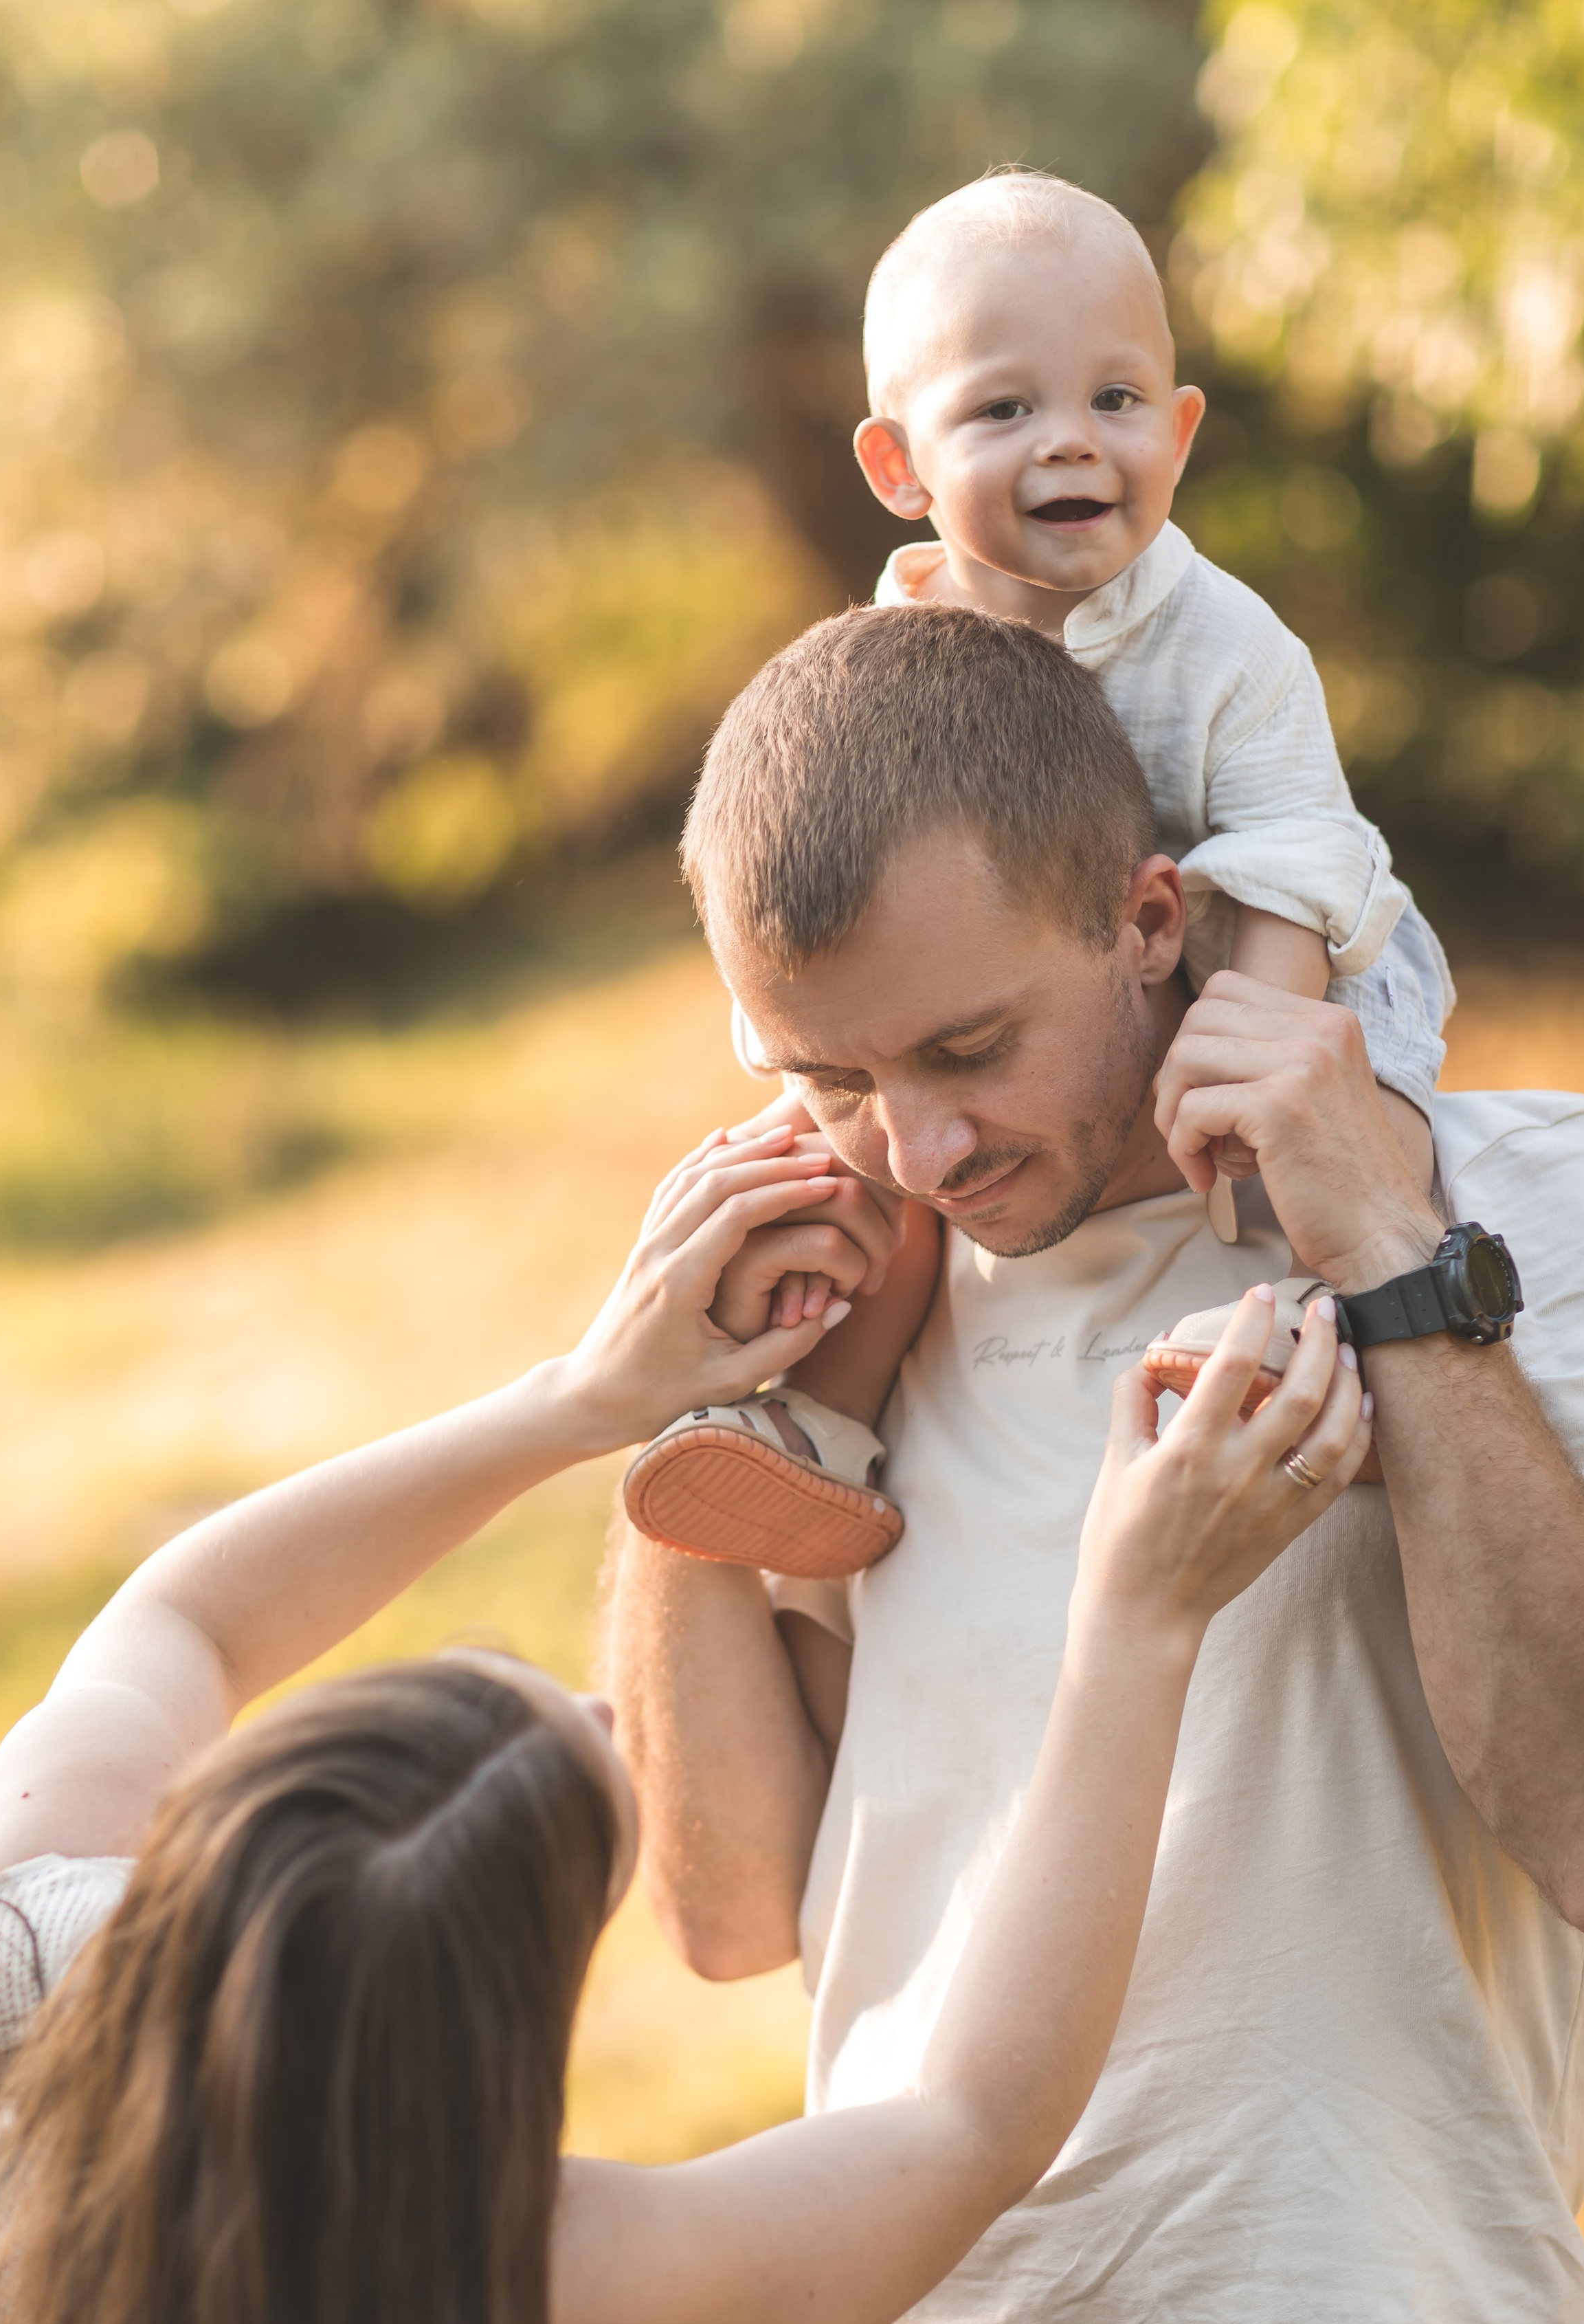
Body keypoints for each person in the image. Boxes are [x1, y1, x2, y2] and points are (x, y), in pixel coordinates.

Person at [0, 1135, 1367, 2324]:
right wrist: (1139, 1614)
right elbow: (972, 2124)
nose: (613, 1717)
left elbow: (181, 1621)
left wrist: (588, 1393)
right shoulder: (482, 2290)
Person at [604, 600, 1584, 2324]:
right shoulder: (870, 1291)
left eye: (969, 1050)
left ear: (1150, 918)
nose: (920, 1146)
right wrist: (679, 1421)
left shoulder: (1533, 1202)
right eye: (831, 1072)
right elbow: (734, 1907)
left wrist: (1395, 1254)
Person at [622, 168, 1455, 1580]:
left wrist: (1248, 1059)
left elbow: (1299, 859)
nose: (1071, 442)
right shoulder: (897, 644)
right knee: (879, 1152)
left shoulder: (1225, 647)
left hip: (1266, 941)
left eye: (1115, 401)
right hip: (1023, 966)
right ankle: (812, 1437)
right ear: (898, 469)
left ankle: (1334, 1352)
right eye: (1005, 410)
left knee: (1346, 1137)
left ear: (1177, 435)